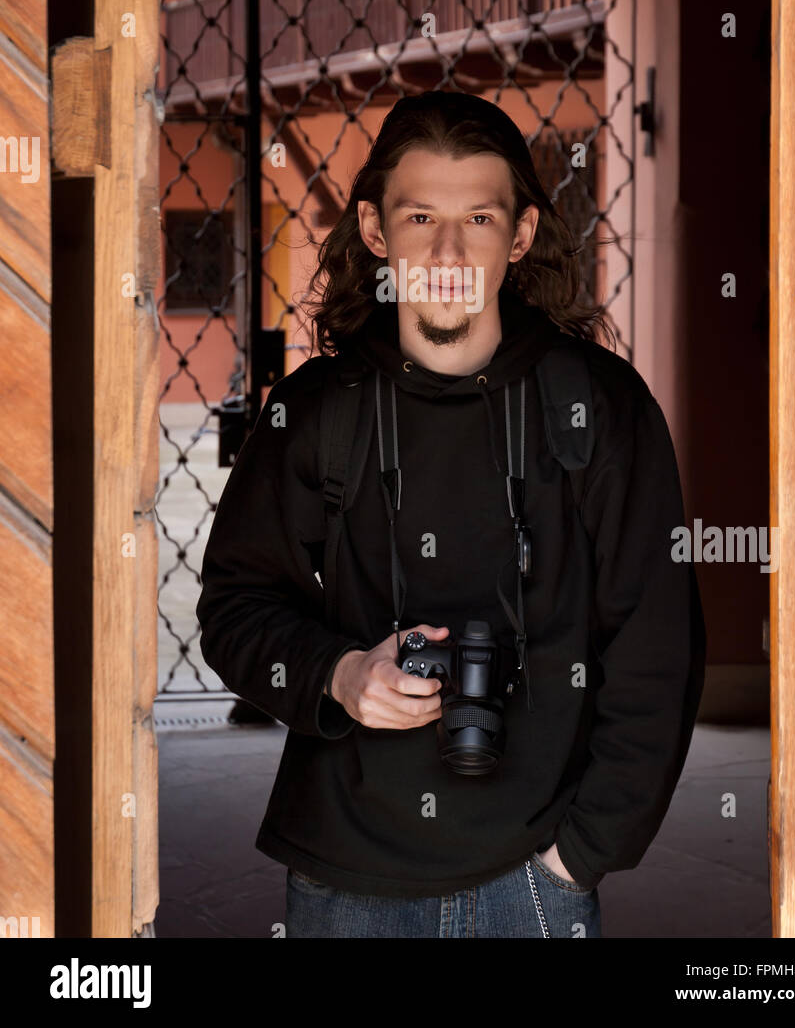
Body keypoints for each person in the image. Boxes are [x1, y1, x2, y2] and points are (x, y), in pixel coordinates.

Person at [196, 90, 706, 939]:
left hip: (536, 877)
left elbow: (659, 646)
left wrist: (583, 852)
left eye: (477, 218)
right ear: (373, 231)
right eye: (420, 215)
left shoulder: (597, 407)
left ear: (522, 234)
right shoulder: (318, 412)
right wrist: (340, 675)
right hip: (343, 878)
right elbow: (233, 610)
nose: (446, 250)